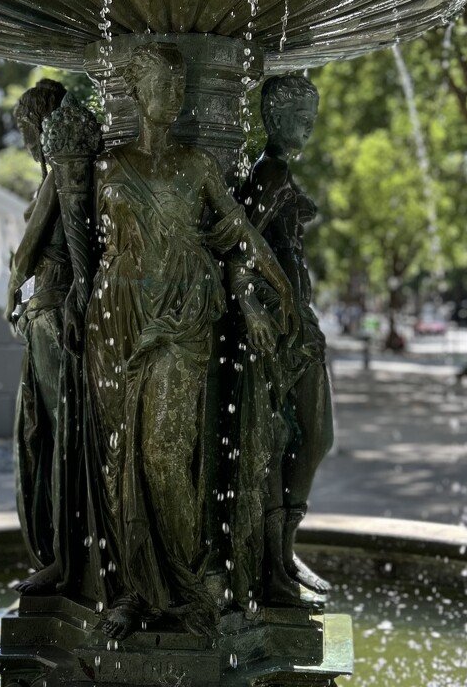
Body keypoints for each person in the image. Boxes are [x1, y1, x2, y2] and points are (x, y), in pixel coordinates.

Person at [83, 43, 296, 640]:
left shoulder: (199, 164)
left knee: (165, 457)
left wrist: (275, 287)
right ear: (136, 90)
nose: (171, 97)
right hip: (117, 321)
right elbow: (78, 242)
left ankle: (188, 581)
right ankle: (129, 590)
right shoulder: (108, 165)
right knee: (119, 458)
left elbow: (239, 234)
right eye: (161, 85)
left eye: (179, 87)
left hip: (182, 319)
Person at [230, 74, 333, 606]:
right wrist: (251, 307)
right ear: (273, 117)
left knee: (306, 438)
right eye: (300, 117)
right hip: (279, 331)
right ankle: (274, 564)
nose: (308, 127)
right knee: (285, 440)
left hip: (298, 327)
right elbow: (238, 251)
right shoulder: (267, 177)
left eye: (311, 116)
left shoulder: (277, 174)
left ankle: (284, 554)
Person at [5, 78, 79, 595]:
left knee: (56, 437)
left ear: (43, 124)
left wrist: (10, 292)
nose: (27, 142)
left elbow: (26, 253)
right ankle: (59, 549)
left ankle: (63, 553)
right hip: (46, 315)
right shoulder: (64, 176)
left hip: (51, 315)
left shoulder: (59, 176)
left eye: (28, 129)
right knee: (48, 434)